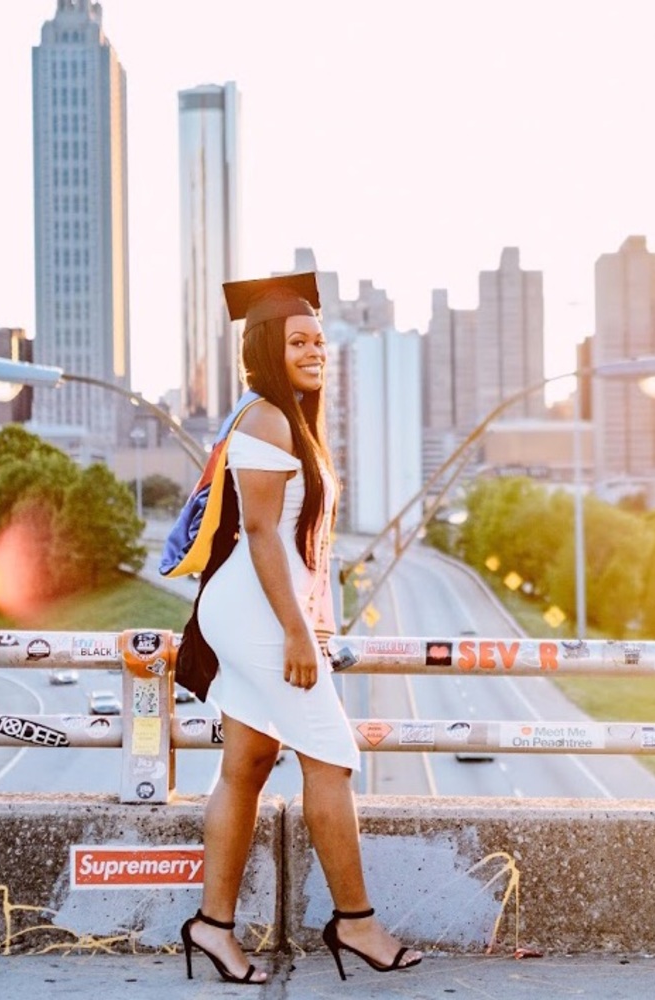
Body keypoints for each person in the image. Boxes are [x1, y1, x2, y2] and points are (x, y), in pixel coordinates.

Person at [179, 272, 422, 985]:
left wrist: (311, 613)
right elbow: (259, 533)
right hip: (255, 608)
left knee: (249, 763)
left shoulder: (290, 420)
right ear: (266, 347)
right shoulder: (266, 419)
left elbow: (293, 540)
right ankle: (355, 922)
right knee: (330, 755)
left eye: (320, 339)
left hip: (264, 603)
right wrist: (296, 631)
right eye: (300, 340)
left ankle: (213, 927)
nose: (316, 350)